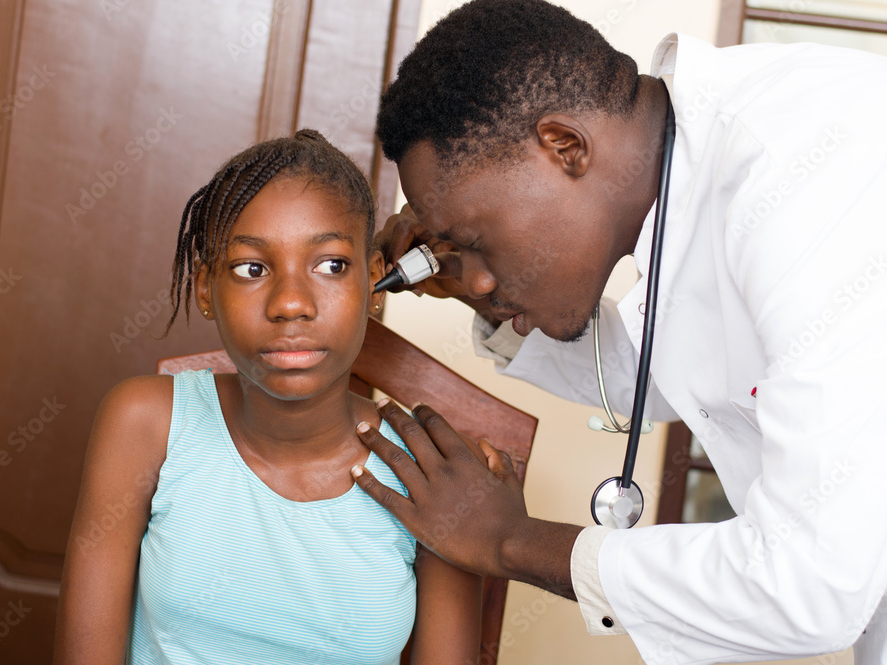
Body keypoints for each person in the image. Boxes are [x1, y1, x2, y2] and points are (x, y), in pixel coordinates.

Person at [346, 1, 887, 664]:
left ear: (564, 147)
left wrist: (509, 540)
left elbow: (810, 584)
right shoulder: (685, 171)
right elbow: (673, 377)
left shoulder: (802, 173)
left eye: (477, 242)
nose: (478, 279)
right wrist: (486, 300)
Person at [53, 129, 482, 665]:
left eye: (330, 265)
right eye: (252, 269)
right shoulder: (145, 424)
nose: (291, 303)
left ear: (373, 284)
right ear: (206, 290)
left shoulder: (431, 475)